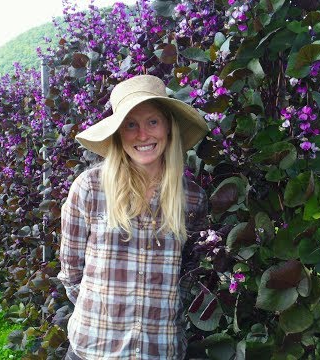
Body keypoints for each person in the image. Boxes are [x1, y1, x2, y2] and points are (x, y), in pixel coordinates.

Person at [57, 74, 209, 360]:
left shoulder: (193, 199)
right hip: (94, 349)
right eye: (131, 124)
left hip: (160, 350)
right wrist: (104, 315)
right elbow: (71, 272)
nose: (143, 135)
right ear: (118, 132)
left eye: (152, 121)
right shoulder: (89, 189)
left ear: (168, 127)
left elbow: (189, 272)